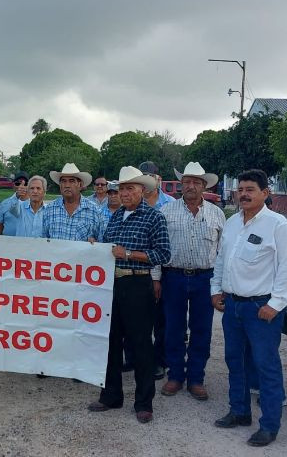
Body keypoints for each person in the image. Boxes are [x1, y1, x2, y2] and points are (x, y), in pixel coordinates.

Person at [210, 169, 287, 447]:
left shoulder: (277, 225)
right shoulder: (232, 222)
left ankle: (269, 425)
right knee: (235, 361)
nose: (244, 195)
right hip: (233, 305)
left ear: (265, 193)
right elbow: (222, 259)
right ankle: (239, 411)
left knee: (265, 365)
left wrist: (276, 304)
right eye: (241, 189)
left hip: (262, 308)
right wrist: (216, 289)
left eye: (250, 190)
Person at [88, 166, 170, 424]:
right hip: (113, 284)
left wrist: (129, 254)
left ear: (142, 190)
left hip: (137, 283)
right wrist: (97, 247)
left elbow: (163, 253)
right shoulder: (115, 217)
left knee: (141, 344)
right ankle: (111, 395)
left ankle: (144, 403)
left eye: (130, 188)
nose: (124, 193)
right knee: (111, 341)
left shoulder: (154, 217)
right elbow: (109, 249)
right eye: (121, 188)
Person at [156, 162, 225, 401]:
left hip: (205, 278)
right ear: (181, 185)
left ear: (204, 186)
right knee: (173, 328)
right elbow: (158, 246)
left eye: (196, 182)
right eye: (186, 182)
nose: (190, 186)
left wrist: (220, 285)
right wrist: (156, 279)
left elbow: (223, 252)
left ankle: (196, 378)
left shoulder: (217, 214)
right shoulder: (166, 212)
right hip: (173, 276)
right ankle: (175, 375)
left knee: (202, 330)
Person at [134, 160, 170, 379]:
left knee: (162, 320)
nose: (147, 181)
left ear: (158, 179)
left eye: (151, 177)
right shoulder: (131, 204)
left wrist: (157, 276)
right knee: (139, 319)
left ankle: (159, 360)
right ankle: (138, 358)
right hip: (136, 270)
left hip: (163, 269)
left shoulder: (171, 204)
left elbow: (165, 245)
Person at [41, 163, 105, 242]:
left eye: (72, 181)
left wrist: (95, 243)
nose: (67, 185)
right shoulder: (50, 209)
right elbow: (44, 241)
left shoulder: (94, 211)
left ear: (80, 185)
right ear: (60, 185)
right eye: (63, 181)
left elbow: (101, 241)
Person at [0, 171, 29, 235]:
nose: (21, 186)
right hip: (7, 240)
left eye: (25, 184)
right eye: (18, 183)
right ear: (13, 185)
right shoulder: (5, 203)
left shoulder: (34, 204)